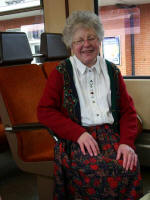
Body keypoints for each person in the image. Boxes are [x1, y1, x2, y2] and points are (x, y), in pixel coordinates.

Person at [37, 10, 143, 200]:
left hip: (111, 133)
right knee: (98, 170)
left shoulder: (112, 71)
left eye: (91, 38)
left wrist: (127, 143)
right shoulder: (61, 73)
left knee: (129, 163)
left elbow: (128, 111)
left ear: (99, 40)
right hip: (77, 137)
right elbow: (45, 111)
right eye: (79, 41)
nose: (86, 45)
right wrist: (78, 133)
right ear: (71, 44)